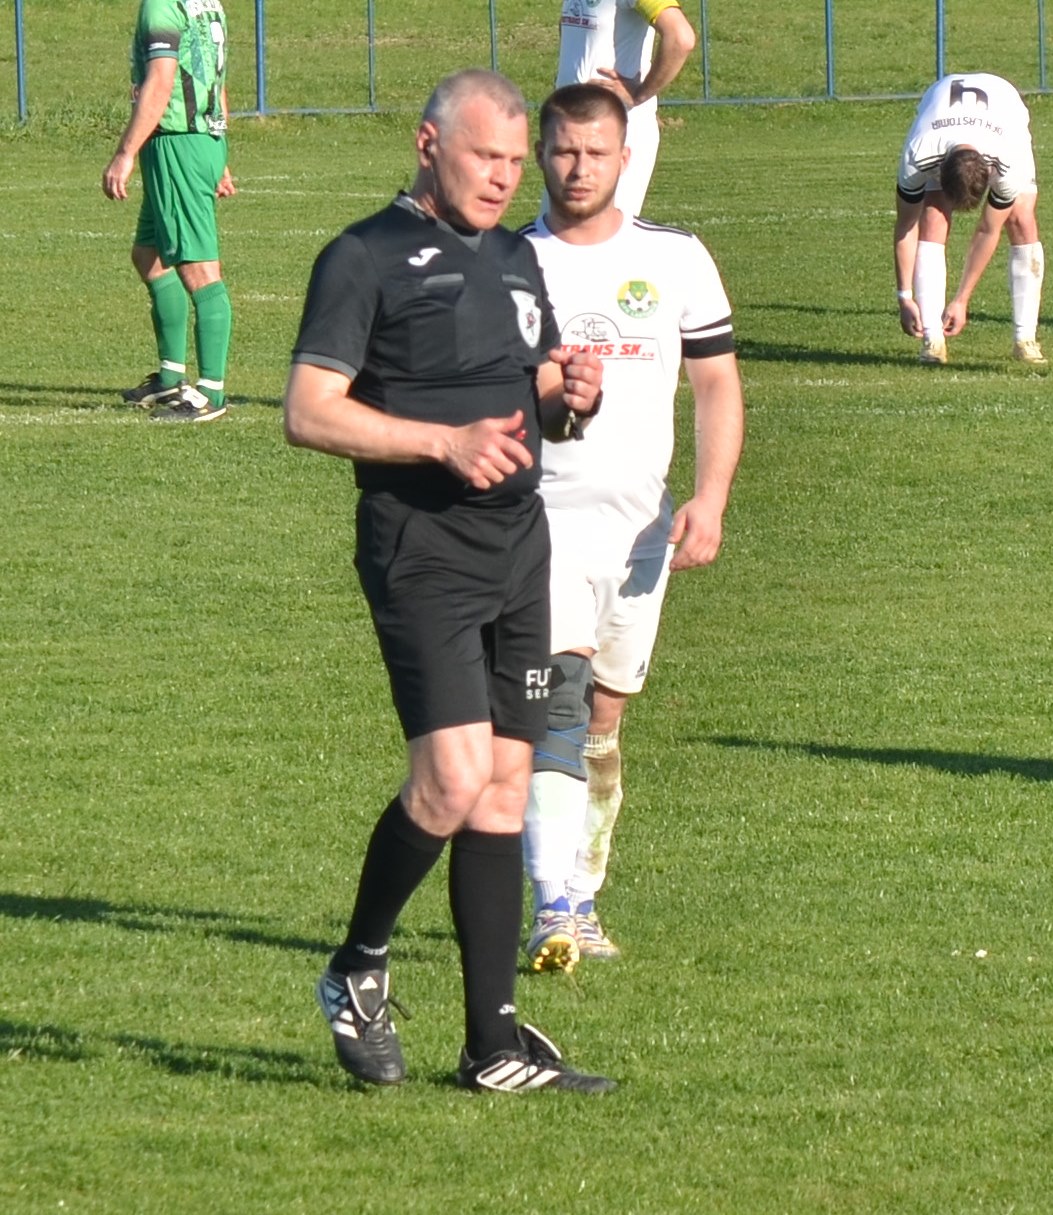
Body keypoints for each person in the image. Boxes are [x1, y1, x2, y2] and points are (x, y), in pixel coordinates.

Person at [283, 69, 615, 1094]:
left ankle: (491, 1047)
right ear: (429, 145)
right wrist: (443, 442)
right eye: (486, 157)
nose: (506, 179)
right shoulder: (362, 256)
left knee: (506, 786)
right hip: (421, 547)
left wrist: (572, 395)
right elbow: (308, 411)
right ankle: (356, 966)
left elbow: (537, 394)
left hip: (519, 548)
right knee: (451, 778)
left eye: (516, 161)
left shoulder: (515, 255)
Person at [518, 83, 745, 973]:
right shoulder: (510, 260)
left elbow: (716, 383)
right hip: (537, 525)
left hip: (640, 533)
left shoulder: (674, 258)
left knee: (602, 723)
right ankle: (553, 906)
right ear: (541, 156)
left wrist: (710, 498)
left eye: (595, 153)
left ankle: (585, 888)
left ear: (624, 157)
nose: (578, 169)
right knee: (558, 704)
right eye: (563, 152)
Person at [102, 0, 234, 423]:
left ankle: (211, 392)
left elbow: (161, 82)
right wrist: (218, 151)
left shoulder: (161, 5)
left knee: (199, 270)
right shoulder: (207, 3)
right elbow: (215, 77)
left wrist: (125, 153)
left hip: (177, 143)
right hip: (199, 141)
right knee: (149, 255)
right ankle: (171, 376)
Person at [893, 72, 1046, 367]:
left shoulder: (1007, 160)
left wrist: (962, 299)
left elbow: (989, 229)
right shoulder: (920, 153)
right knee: (933, 216)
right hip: (940, 109)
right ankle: (932, 338)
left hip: (1004, 106)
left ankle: (1025, 338)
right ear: (938, 172)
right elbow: (905, 226)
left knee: (1021, 219)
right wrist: (904, 297)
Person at [555, 0, 696, 214]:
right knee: (554, 232)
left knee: (602, 231)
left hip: (616, 134)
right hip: (569, 134)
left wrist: (639, 95)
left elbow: (681, 38)